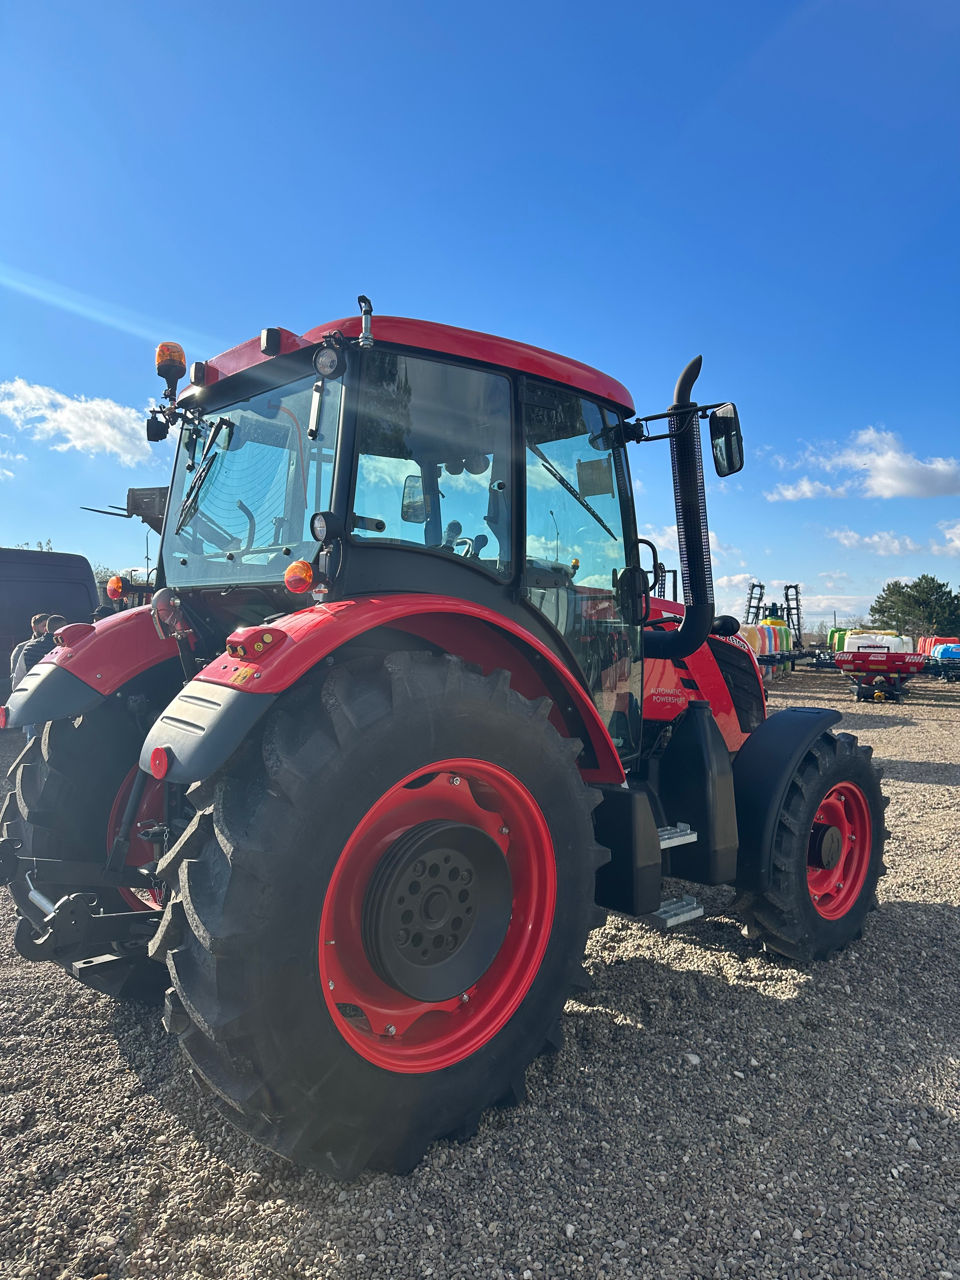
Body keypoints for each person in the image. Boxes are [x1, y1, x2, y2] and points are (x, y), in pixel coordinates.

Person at [9, 613, 49, 687]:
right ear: (34, 628)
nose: (47, 629)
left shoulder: (57, 645)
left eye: (48, 626)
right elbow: (15, 678)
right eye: (44, 626)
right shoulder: (21, 648)